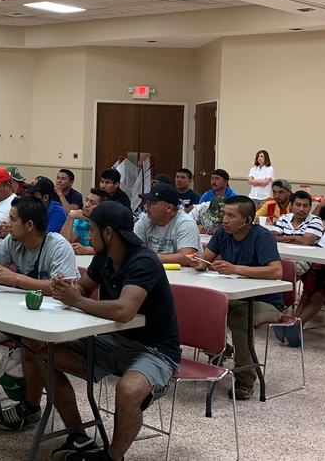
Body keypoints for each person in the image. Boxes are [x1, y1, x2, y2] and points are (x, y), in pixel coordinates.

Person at [24, 201, 179, 460]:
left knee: (128, 391)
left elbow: (123, 311)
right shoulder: (103, 258)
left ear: (108, 233)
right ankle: (78, 436)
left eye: (92, 229)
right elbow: (83, 289)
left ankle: (112, 457)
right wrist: (68, 289)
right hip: (113, 341)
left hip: (155, 351)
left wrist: (77, 300)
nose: (87, 234)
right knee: (39, 349)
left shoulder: (144, 261)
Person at [0, 197, 76, 427]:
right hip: (18, 313)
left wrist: (17, 279)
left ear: (29, 225)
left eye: (13, 219)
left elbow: (65, 289)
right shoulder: (12, 241)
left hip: (52, 321)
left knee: (32, 339)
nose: (7, 224)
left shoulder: (58, 246)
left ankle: (30, 408)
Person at [188, 195, 283, 400]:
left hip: (267, 302)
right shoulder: (223, 233)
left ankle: (245, 380)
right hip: (234, 295)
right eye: (224, 214)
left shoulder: (262, 237)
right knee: (199, 307)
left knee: (240, 318)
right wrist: (197, 262)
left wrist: (236, 269)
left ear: (247, 220)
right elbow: (205, 260)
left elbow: (276, 271)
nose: (225, 220)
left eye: (231, 216)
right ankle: (220, 349)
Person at [133, 184, 201, 265]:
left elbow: (187, 257)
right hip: (154, 271)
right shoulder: (146, 219)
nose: (146, 206)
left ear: (169, 208)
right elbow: (133, 250)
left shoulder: (185, 223)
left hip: (183, 275)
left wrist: (148, 256)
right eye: (147, 202)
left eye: (152, 203)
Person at [60, 188, 110, 255]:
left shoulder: (107, 223)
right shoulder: (80, 220)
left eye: (92, 203)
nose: (86, 205)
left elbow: (110, 248)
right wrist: (70, 217)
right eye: (86, 200)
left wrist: (87, 250)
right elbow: (63, 243)